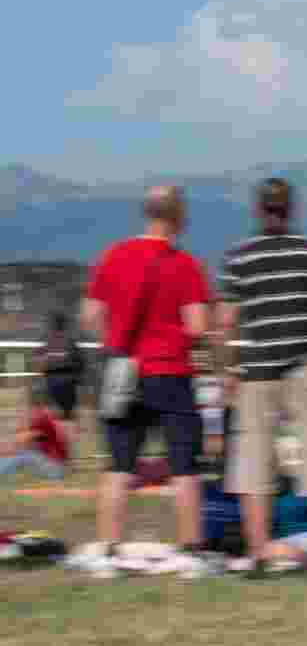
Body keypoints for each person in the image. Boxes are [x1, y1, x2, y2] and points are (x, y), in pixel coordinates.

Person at [217, 177, 307, 578]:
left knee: (254, 460)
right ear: (292, 208)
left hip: (257, 370)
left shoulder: (237, 257)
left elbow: (223, 320)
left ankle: (258, 552)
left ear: (258, 210)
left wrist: (226, 367)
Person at [80, 185, 212, 579]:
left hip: (121, 370)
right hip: (170, 371)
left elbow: (89, 315)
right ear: (179, 218)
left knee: (118, 465)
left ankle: (108, 548)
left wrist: (115, 340)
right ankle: (191, 550)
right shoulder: (185, 264)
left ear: (146, 212)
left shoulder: (113, 256)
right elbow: (197, 325)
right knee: (184, 466)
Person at [33, 311, 85, 446]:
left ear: (51, 325)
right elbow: (81, 364)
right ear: (64, 325)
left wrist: (42, 375)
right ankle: (67, 446)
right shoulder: (71, 341)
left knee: (52, 417)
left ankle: (55, 445)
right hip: (68, 385)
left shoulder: (46, 340)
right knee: (69, 418)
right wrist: (78, 380)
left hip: (51, 384)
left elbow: (38, 361)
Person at [0, 402, 68, 480]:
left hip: (55, 470)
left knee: (25, 455)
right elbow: (23, 444)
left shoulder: (43, 421)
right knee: (25, 453)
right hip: (56, 468)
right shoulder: (48, 422)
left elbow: (20, 441)